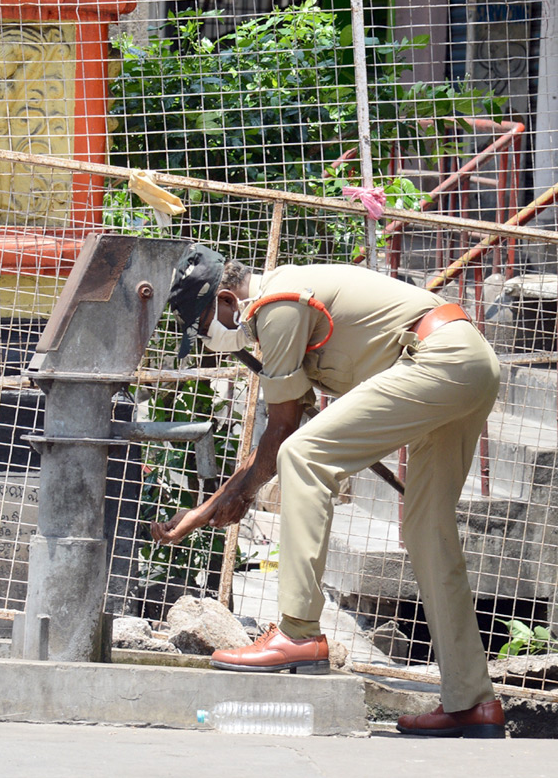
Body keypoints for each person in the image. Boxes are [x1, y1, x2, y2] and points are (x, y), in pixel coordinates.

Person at [152, 244, 505, 739]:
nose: (209, 336)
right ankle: (472, 702)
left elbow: (281, 437)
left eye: (205, 321)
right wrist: (219, 502)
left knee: (305, 456)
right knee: (427, 530)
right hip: (467, 366)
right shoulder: (280, 301)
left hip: (441, 361)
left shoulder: (274, 308)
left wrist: (216, 504)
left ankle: (297, 632)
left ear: (228, 300)